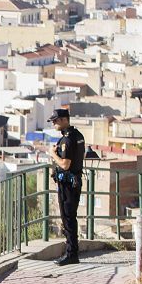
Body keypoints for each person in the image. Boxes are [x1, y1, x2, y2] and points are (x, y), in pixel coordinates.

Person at [47, 108, 86, 266]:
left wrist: (52, 154)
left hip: (68, 185)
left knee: (68, 218)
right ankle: (72, 253)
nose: (54, 123)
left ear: (64, 120)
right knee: (71, 218)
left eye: (55, 120)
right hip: (75, 182)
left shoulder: (67, 140)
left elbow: (65, 164)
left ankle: (71, 254)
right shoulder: (78, 135)